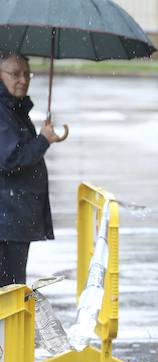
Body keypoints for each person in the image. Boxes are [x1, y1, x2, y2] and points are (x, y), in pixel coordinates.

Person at [0, 53, 66, 286]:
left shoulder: (14, 109)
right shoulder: (3, 111)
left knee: (12, 288)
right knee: (10, 290)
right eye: (15, 74)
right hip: (7, 221)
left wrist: (42, 139)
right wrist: (42, 140)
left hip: (12, 219)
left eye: (27, 74)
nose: (23, 80)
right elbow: (11, 159)